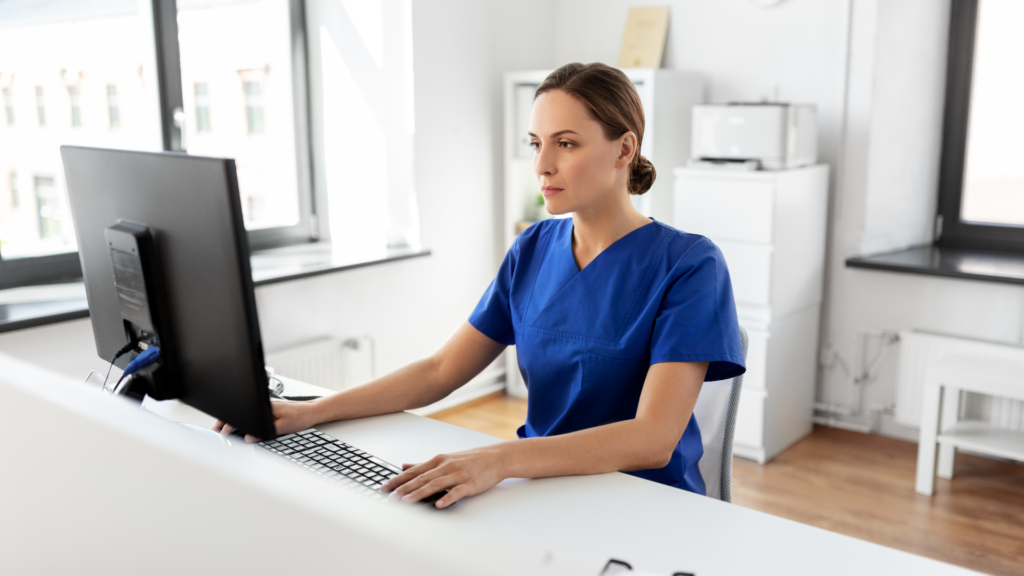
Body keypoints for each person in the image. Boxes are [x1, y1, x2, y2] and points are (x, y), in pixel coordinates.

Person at [216, 62, 745, 509]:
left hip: (645, 503)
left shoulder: (689, 265)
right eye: (536, 143)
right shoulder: (533, 249)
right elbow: (442, 370)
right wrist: (309, 413)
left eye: (566, 143)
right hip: (540, 487)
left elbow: (653, 439)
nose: (541, 165)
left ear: (624, 149)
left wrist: (496, 459)